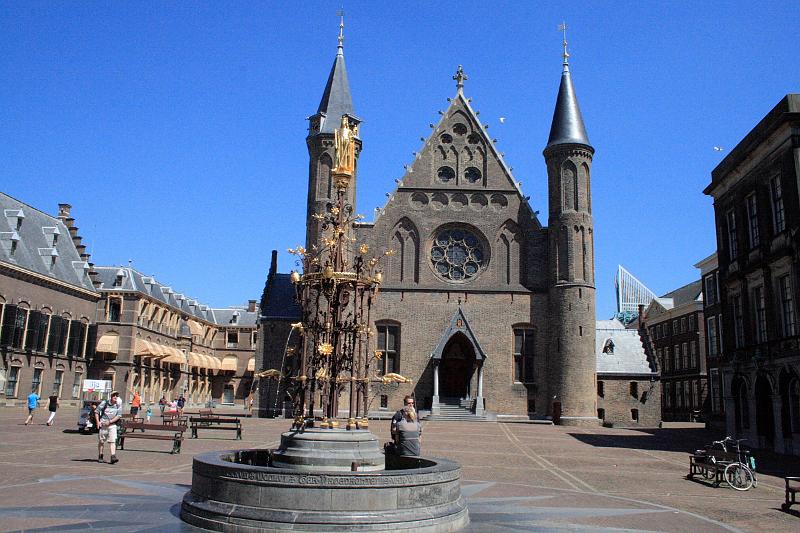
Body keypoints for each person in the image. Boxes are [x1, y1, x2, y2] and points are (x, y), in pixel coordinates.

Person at [96, 391, 122, 464]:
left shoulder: (118, 405)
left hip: (112, 425)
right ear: (111, 396)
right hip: (103, 425)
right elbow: (96, 412)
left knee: (112, 441)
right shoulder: (104, 403)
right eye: (114, 395)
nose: (115, 397)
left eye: (116, 395)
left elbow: (119, 415)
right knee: (101, 441)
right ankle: (100, 455)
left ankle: (113, 456)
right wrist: (98, 422)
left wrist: (110, 422)